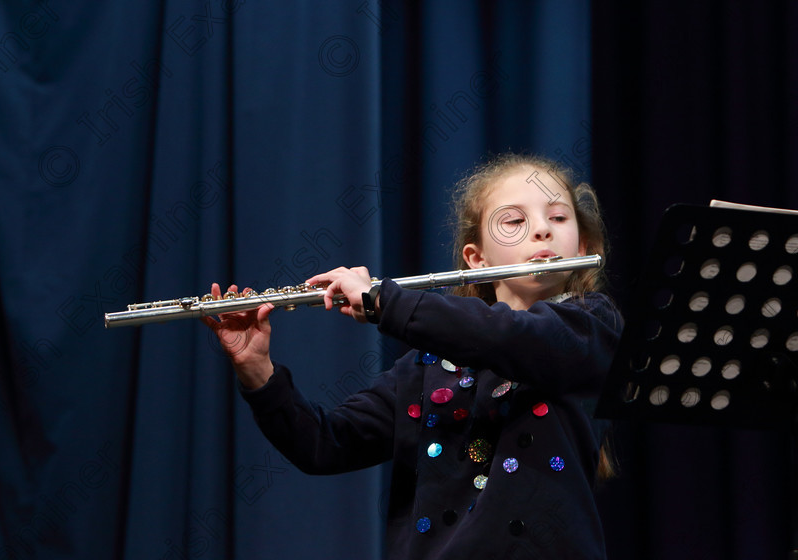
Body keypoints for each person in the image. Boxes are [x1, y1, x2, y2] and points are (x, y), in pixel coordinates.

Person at [202, 153, 622, 559]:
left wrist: (386, 301)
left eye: (558, 217)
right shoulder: (427, 366)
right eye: (514, 220)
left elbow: (509, 336)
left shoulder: (592, 326)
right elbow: (324, 445)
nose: (542, 230)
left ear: (581, 244)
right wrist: (257, 370)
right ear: (476, 260)